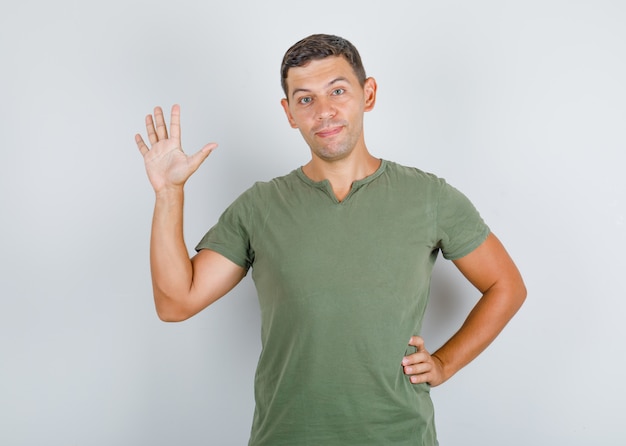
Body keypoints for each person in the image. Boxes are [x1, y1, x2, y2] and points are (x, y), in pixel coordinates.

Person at [135, 34, 526, 446]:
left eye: (337, 91)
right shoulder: (260, 206)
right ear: (288, 113)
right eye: (305, 99)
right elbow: (176, 302)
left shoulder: (429, 197)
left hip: (398, 435)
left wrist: (445, 363)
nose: (324, 112)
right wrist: (168, 193)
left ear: (367, 93)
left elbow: (506, 286)